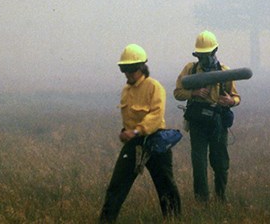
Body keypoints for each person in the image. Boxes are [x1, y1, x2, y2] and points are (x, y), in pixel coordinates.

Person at [100, 44, 181, 223]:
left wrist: (137, 130)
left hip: (155, 142)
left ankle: (174, 220)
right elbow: (128, 118)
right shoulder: (126, 91)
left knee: (166, 186)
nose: (128, 74)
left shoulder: (154, 87)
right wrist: (126, 132)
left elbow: (155, 115)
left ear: (141, 68)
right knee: (117, 186)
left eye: (131, 70)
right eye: (124, 70)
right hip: (134, 144)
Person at [173, 30, 240, 203]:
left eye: (207, 54)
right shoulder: (190, 69)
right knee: (199, 163)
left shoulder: (224, 72)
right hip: (198, 122)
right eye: (200, 55)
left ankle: (220, 197)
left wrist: (230, 101)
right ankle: (201, 201)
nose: (204, 58)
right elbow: (177, 93)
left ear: (214, 51)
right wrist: (193, 92)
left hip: (218, 122)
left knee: (220, 162)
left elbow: (236, 97)